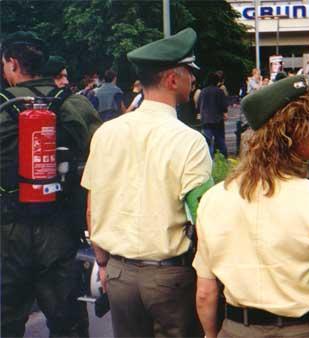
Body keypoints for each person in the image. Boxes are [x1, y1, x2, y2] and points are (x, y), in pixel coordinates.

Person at [193, 75, 309, 338]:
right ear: (293, 133)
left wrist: (209, 335)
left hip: (236, 329)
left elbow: (206, 292)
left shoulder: (214, 199)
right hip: (301, 331)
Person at [81, 28, 213, 338]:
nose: (193, 79)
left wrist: (103, 264)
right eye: (189, 72)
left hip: (118, 275)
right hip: (170, 278)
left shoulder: (106, 133)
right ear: (172, 79)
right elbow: (206, 217)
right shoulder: (189, 141)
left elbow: (93, 207)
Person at [0, 31, 101, 337]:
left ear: (13, 63)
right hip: (61, 227)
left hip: (7, 231)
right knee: (67, 320)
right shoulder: (77, 106)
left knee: (6, 318)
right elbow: (101, 161)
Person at [199, 72, 229, 158]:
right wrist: (224, 112)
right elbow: (223, 105)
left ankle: (209, 159)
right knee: (220, 140)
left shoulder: (203, 91)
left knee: (208, 140)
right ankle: (223, 158)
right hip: (217, 119)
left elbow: (199, 104)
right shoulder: (219, 91)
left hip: (205, 119)